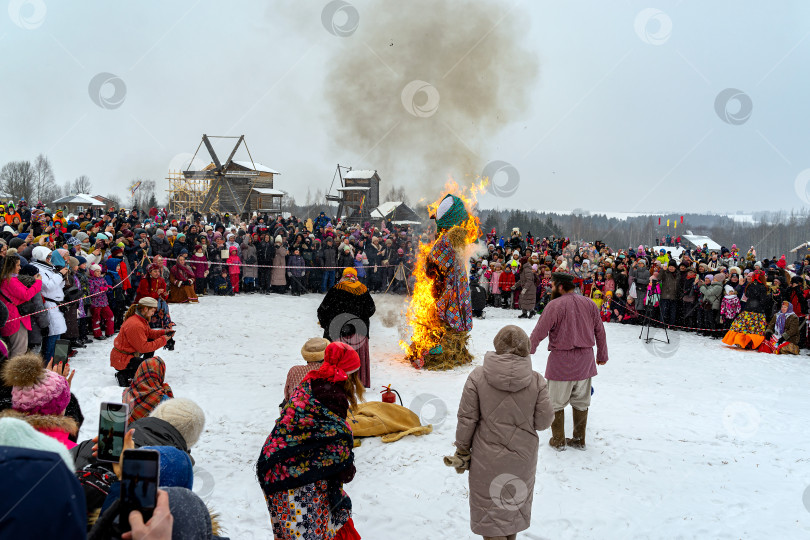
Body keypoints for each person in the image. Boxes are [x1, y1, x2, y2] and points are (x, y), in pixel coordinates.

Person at [450, 325, 554, 540]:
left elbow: (467, 418)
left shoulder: (477, 377)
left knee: (490, 514)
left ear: (497, 344)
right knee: (511, 508)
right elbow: (544, 422)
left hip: (485, 458)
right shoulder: (537, 381)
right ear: (526, 347)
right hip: (522, 459)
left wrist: (462, 449)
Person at [257, 342, 363, 540]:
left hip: (274, 466)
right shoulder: (333, 394)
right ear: (350, 373)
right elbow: (334, 441)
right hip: (294, 475)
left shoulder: (312, 382)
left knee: (293, 534)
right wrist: (346, 469)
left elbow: (319, 434)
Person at [529, 272, 608, 450]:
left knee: (555, 403)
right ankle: (579, 440)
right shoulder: (589, 303)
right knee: (581, 402)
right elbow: (600, 331)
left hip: (561, 363)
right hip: (585, 363)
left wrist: (528, 350)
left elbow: (539, 331)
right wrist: (602, 355)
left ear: (561, 286)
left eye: (553, 285)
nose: (551, 288)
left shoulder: (554, 305)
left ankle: (558, 441)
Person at [317, 267, 376, 388]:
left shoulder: (336, 289)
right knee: (357, 358)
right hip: (359, 332)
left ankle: (338, 380)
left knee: (339, 358)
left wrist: (325, 324)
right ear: (355, 276)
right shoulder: (363, 289)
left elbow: (322, 310)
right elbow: (371, 309)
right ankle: (359, 381)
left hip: (338, 331)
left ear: (343, 275)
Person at [110, 297, 174, 387]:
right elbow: (143, 348)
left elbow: (149, 333)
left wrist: (164, 332)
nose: (153, 313)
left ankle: (142, 366)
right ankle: (124, 374)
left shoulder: (140, 319)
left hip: (127, 355)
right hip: (123, 359)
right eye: (152, 310)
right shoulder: (136, 324)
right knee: (152, 370)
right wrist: (163, 340)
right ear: (145, 309)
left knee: (151, 343)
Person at [30, 246, 68, 362]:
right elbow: (48, 286)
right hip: (49, 305)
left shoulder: (49, 267)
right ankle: (50, 365)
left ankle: (59, 363)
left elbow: (57, 286)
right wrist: (60, 275)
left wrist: (62, 276)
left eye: (50, 256)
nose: (50, 258)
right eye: (47, 256)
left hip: (56, 304)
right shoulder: (37, 268)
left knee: (59, 334)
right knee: (53, 336)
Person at [0, 254, 42, 357]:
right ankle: (15, 372)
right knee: (19, 351)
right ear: (11, 266)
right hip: (16, 319)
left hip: (12, 317)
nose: (20, 268)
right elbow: (26, 295)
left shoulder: (6, 279)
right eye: (18, 265)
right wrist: (38, 283)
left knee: (13, 349)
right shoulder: (10, 281)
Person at [123, 356, 174, 423]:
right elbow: (174, 417)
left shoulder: (127, 392)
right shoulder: (162, 399)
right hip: (150, 432)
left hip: (130, 432)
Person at [87, 263, 115, 340]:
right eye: (97, 271)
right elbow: (92, 293)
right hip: (96, 304)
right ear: (92, 272)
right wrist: (102, 289)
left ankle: (109, 332)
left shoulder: (102, 279)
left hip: (104, 302)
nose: (99, 273)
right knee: (96, 319)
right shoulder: (91, 281)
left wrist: (108, 287)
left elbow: (105, 286)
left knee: (110, 316)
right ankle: (97, 334)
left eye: (100, 271)